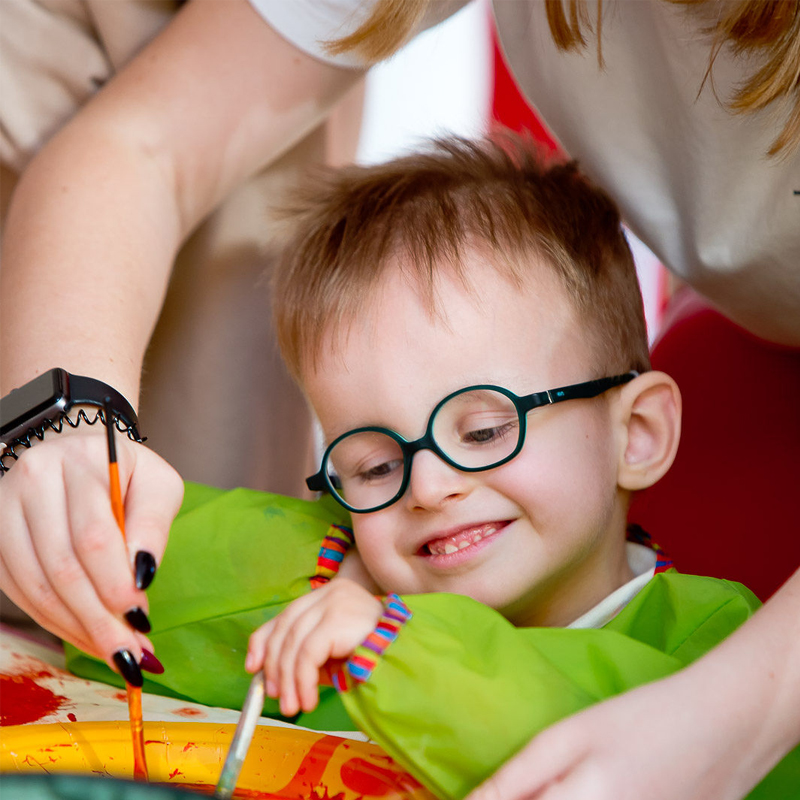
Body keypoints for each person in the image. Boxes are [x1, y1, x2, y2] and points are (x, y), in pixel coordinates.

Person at [1, 1, 798, 798]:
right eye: (375, 464)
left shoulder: (713, 635)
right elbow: (183, 576)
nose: (428, 487)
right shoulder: (363, 570)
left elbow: (571, 704)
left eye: (485, 430)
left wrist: (388, 643)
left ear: (640, 434)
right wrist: (83, 517)